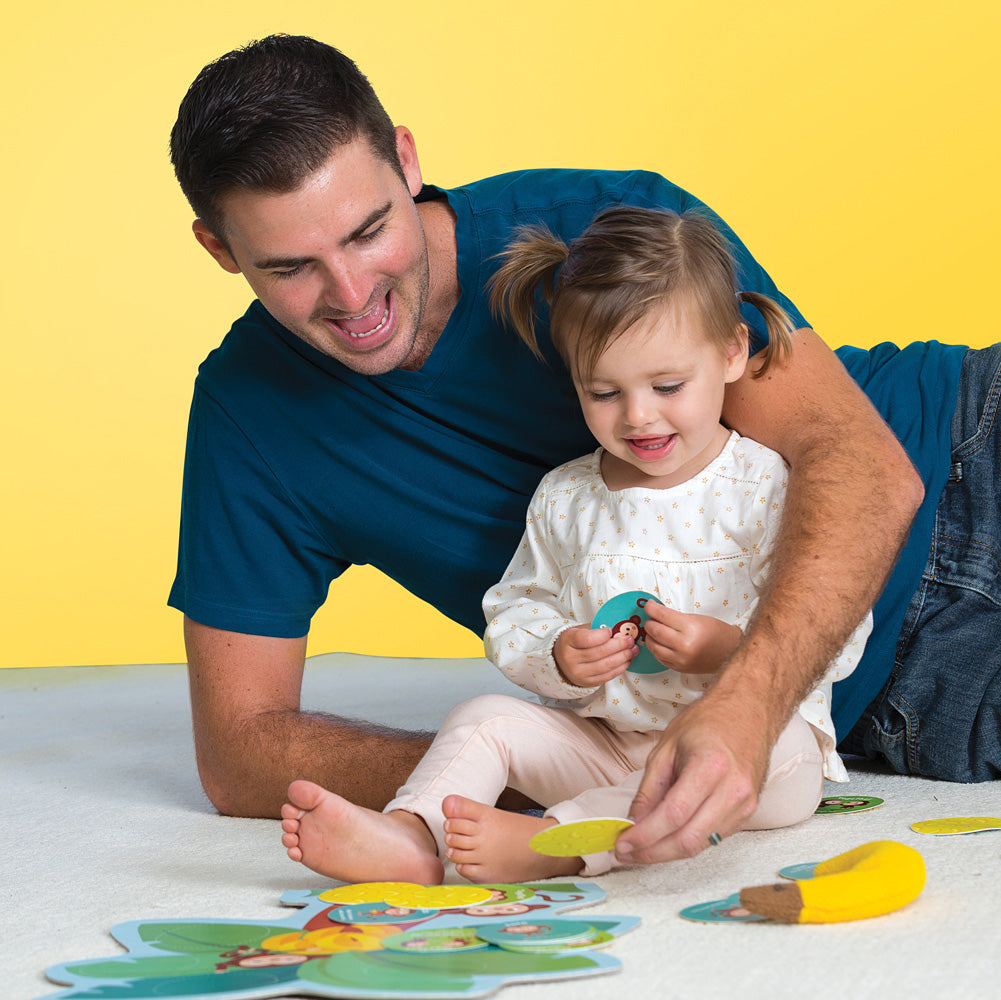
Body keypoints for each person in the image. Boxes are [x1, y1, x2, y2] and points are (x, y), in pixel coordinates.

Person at [167, 34, 996, 863]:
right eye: (288, 268)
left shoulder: (599, 230)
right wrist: (523, 781)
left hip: (964, 453)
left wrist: (742, 702)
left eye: (368, 231)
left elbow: (867, 468)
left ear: (406, 161)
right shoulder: (248, 422)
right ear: (218, 249)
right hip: (912, 699)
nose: (352, 297)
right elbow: (241, 753)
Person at [278, 207, 873, 884]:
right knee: (482, 719)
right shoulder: (568, 497)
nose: (639, 414)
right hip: (603, 743)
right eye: (603, 392)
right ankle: (411, 833)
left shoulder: (763, 483)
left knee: (791, 757)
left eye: (667, 386)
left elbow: (840, 628)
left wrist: (724, 647)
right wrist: (559, 654)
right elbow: (515, 612)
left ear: (732, 352)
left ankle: (556, 842)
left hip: (736, 752)